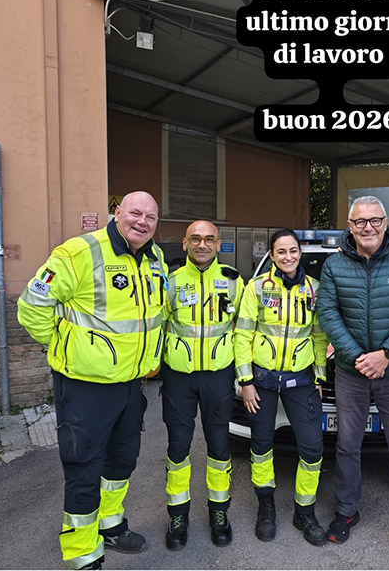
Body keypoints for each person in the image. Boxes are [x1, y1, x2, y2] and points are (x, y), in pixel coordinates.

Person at [17, 191, 167, 570]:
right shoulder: (78, 252)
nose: (142, 222)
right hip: (85, 387)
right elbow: (32, 307)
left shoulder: (155, 258)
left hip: (131, 384)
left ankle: (110, 525)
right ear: (117, 213)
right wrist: (65, 348)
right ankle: (83, 552)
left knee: (122, 461)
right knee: (84, 467)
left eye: (150, 217)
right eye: (135, 212)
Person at [317, 196, 389, 565]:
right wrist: (358, 358)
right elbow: (328, 313)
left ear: (386, 222)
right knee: (347, 446)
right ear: (350, 226)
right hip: (351, 373)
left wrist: (387, 355)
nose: (368, 227)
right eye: (360, 222)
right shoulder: (334, 265)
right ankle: (347, 510)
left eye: (375, 220)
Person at [233, 229, 329, 546]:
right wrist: (246, 381)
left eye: (293, 251)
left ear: (300, 253)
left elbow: (319, 336)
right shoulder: (257, 288)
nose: (288, 257)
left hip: (300, 380)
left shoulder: (314, 290)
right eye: (281, 251)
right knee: (261, 446)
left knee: (313, 448)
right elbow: (243, 335)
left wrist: (319, 376)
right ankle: (266, 507)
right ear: (272, 256)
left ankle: (305, 511)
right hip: (262, 380)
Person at [161, 220, 244, 550]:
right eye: (195, 239)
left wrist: (244, 375)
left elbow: (243, 331)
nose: (202, 244)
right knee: (178, 448)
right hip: (178, 376)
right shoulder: (170, 281)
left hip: (218, 375)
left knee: (219, 448)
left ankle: (219, 512)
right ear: (185, 243)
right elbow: (157, 325)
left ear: (218, 244)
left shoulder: (234, 281)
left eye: (209, 239)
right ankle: (177, 516)